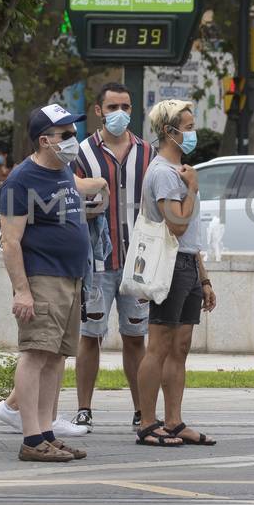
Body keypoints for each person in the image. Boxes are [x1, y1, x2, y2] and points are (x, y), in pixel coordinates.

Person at [0, 104, 97, 463]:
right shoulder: (20, 180)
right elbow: (10, 241)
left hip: (70, 278)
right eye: (66, 135)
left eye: (74, 132)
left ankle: (46, 433)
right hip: (42, 277)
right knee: (36, 354)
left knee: (56, 357)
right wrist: (22, 290)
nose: (74, 140)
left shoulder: (64, 170)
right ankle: (30, 439)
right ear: (44, 140)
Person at [136, 99, 218, 448]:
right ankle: (147, 423)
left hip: (186, 265)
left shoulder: (179, 171)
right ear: (169, 131)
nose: (192, 132)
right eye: (187, 126)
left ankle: (173, 421)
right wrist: (194, 188)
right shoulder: (162, 174)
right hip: (168, 266)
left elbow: (191, 237)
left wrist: (204, 277)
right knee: (158, 346)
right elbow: (178, 225)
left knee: (180, 347)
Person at [72, 82, 153, 432]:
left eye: (126, 106)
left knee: (136, 337)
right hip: (97, 262)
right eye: (112, 107)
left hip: (138, 261)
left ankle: (141, 410)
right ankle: (84, 409)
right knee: (91, 335)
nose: (120, 113)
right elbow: (67, 200)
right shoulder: (80, 153)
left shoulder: (148, 153)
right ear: (98, 111)